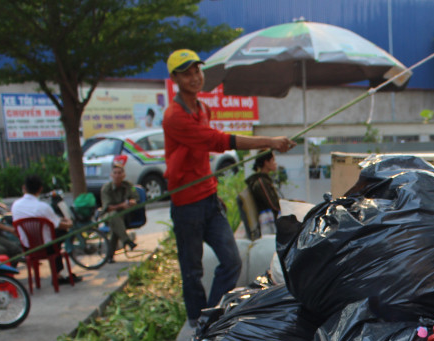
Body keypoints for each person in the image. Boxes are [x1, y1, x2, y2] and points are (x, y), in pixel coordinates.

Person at [162, 48, 296, 326]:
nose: (194, 77)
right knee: (191, 271)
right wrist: (269, 142)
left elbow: (202, 156)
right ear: (175, 78)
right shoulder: (174, 116)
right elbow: (216, 141)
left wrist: (213, 191)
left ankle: (208, 317)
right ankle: (196, 322)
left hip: (208, 198)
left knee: (231, 260)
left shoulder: (203, 109)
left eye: (197, 70)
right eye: (186, 73)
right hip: (186, 204)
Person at [10, 174, 81, 284]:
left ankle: (58, 272)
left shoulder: (15, 205)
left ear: (24, 188)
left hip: (28, 247)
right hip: (46, 248)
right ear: (40, 189)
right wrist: (69, 223)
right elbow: (59, 224)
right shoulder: (43, 207)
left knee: (52, 236)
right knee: (60, 233)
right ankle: (58, 274)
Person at [99, 158, 139, 260]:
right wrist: (121, 205)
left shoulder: (128, 185)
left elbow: (135, 197)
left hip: (125, 215)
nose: (117, 175)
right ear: (111, 175)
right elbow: (107, 207)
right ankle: (127, 240)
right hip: (109, 215)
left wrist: (132, 201)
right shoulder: (106, 189)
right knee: (113, 217)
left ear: (123, 175)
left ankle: (110, 256)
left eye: (119, 173)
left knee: (115, 224)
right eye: (115, 173)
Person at [246, 152, 281, 234]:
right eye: (273, 160)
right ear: (266, 162)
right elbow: (273, 205)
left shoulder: (264, 180)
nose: (275, 163)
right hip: (269, 220)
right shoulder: (261, 182)